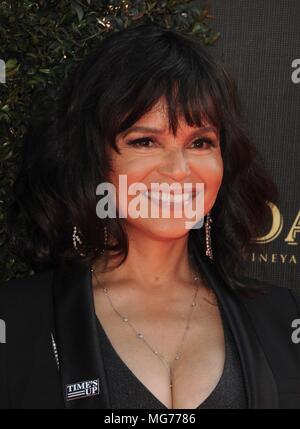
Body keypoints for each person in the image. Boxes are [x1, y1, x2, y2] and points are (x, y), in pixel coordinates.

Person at [0, 23, 299, 409]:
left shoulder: (282, 318)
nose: (178, 170)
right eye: (145, 141)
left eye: (200, 142)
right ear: (95, 160)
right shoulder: (17, 320)